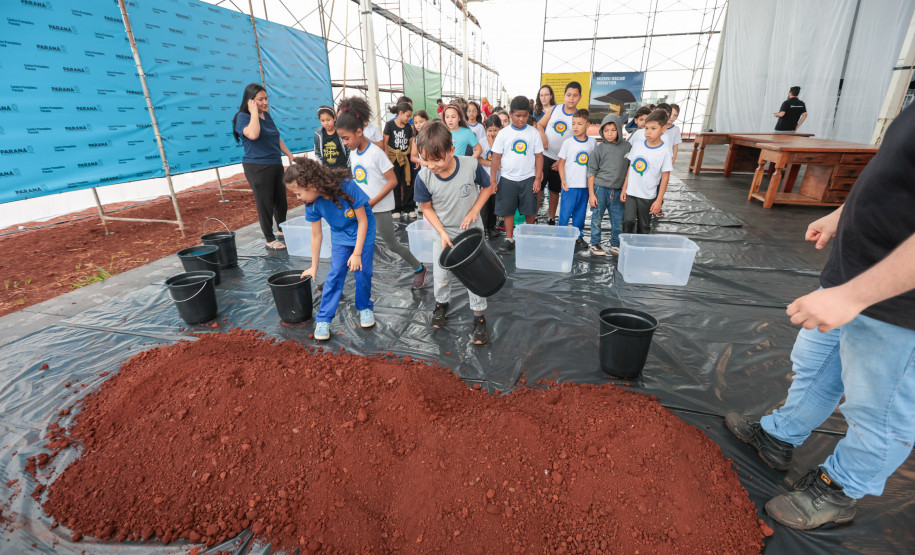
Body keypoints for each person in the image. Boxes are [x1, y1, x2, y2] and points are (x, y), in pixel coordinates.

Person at [725, 102, 915, 531]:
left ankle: (839, 489)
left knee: (879, 408)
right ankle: (780, 435)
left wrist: (855, 296)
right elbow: (895, 175)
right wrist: (843, 213)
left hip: (899, 301)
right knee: (816, 365)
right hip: (854, 271)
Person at [413, 121, 494, 345]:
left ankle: (479, 317)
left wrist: (474, 211)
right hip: (443, 232)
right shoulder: (424, 176)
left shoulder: (470, 165)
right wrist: (441, 233)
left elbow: (488, 186)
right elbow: (426, 208)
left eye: (436, 159)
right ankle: (441, 304)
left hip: (471, 231)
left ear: (451, 151)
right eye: (425, 159)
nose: (431, 165)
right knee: (440, 276)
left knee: (475, 277)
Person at [336, 97, 427, 289]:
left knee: (392, 244)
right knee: (350, 245)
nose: (344, 143)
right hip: (361, 206)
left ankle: (419, 268)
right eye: (342, 139)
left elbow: (393, 181)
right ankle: (336, 282)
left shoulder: (376, 153)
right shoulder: (353, 152)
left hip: (379, 207)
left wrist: (373, 201)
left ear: (359, 132)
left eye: (346, 138)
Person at [284, 157, 376, 340]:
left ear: (310, 185)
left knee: (362, 272)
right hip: (340, 235)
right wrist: (314, 266)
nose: (298, 198)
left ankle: (364, 307)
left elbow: (363, 220)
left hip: (362, 231)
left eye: (298, 193)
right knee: (335, 274)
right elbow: (316, 236)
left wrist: (357, 253)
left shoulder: (346, 186)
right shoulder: (311, 204)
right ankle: (324, 318)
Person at [233, 83, 294, 250]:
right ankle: (269, 238)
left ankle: (282, 230)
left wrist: (288, 153)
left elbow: (275, 137)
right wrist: (253, 113)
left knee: (280, 201)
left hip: (275, 163)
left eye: (266, 99)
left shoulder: (266, 116)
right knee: (265, 202)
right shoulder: (243, 117)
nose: (265, 102)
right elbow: (253, 134)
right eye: (260, 99)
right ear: (250, 101)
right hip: (258, 166)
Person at [490, 95, 544, 253]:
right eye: (518, 116)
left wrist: (538, 178)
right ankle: (509, 238)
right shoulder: (504, 133)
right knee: (508, 210)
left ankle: (528, 235)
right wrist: (493, 180)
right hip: (507, 178)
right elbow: (496, 158)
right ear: (511, 114)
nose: (521, 119)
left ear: (529, 114)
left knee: (530, 209)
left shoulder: (533, 133)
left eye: (525, 115)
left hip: (528, 178)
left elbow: (539, 156)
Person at [538, 81, 583, 225]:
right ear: (564, 96)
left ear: (580, 97)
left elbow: (577, 143)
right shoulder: (555, 109)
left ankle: (551, 217)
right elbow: (540, 125)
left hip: (561, 161)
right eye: (569, 95)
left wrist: (563, 161)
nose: (571, 98)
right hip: (545, 156)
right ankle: (533, 215)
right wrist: (543, 135)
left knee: (554, 190)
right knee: (538, 187)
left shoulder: (578, 117)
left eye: (575, 96)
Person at [621, 109, 672, 234]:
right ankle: (625, 248)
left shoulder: (664, 151)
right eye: (647, 128)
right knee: (628, 221)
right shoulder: (638, 145)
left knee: (644, 226)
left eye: (653, 128)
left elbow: (665, 177)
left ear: (663, 129)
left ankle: (640, 249)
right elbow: (631, 168)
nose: (648, 132)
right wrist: (624, 188)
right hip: (631, 192)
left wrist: (659, 200)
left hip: (648, 195)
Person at [587, 113, 630, 256]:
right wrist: (592, 194)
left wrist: (625, 188)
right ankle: (595, 243)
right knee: (597, 218)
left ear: (619, 129)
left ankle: (615, 244)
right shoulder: (598, 149)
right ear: (601, 131)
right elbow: (591, 172)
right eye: (606, 130)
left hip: (617, 190)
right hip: (600, 189)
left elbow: (631, 168)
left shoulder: (627, 147)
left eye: (613, 129)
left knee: (618, 219)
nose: (610, 133)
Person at [557, 109, 596, 249]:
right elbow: (561, 163)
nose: (575, 127)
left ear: (588, 125)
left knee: (580, 213)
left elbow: (594, 164)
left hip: (585, 186)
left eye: (580, 124)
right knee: (565, 212)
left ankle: (578, 236)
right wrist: (563, 179)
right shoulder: (568, 143)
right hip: (570, 185)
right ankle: (561, 235)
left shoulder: (592, 143)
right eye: (573, 123)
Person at [383, 102, 415, 220]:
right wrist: (387, 161)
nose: (409, 119)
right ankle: (396, 208)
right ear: (400, 113)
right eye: (407, 116)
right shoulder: (389, 125)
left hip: (406, 158)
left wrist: (413, 157)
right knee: (395, 183)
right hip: (393, 158)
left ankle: (409, 207)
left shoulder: (408, 128)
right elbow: (385, 143)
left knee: (408, 182)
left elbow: (411, 143)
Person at [478, 114, 502, 239]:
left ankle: (492, 226)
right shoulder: (482, 142)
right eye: (490, 131)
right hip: (485, 178)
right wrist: (494, 164)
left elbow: (500, 159)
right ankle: (482, 228)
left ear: (500, 129)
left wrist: (493, 144)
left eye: (495, 130)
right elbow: (480, 159)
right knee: (484, 205)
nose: (492, 133)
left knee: (494, 204)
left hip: (498, 179)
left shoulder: (503, 141)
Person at [314, 105, 349, 170]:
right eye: (323, 121)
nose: (326, 123)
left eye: (328, 120)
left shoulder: (341, 131)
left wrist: (347, 165)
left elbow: (348, 150)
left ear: (334, 118)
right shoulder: (318, 134)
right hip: (327, 171)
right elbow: (317, 152)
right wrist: (323, 166)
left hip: (342, 170)